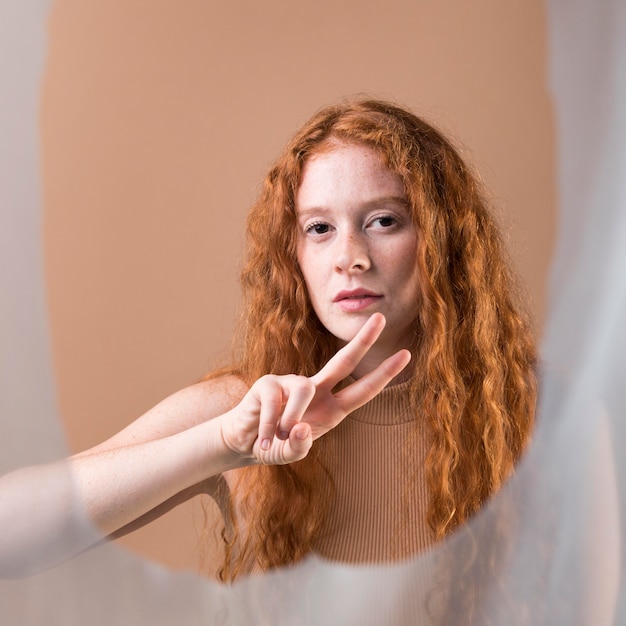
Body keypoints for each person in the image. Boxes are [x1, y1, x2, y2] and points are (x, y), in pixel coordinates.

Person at [0, 99, 536, 586]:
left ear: (443, 241)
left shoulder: (537, 409)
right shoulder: (249, 409)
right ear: (293, 254)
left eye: (383, 220)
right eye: (319, 228)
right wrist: (225, 444)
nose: (350, 256)